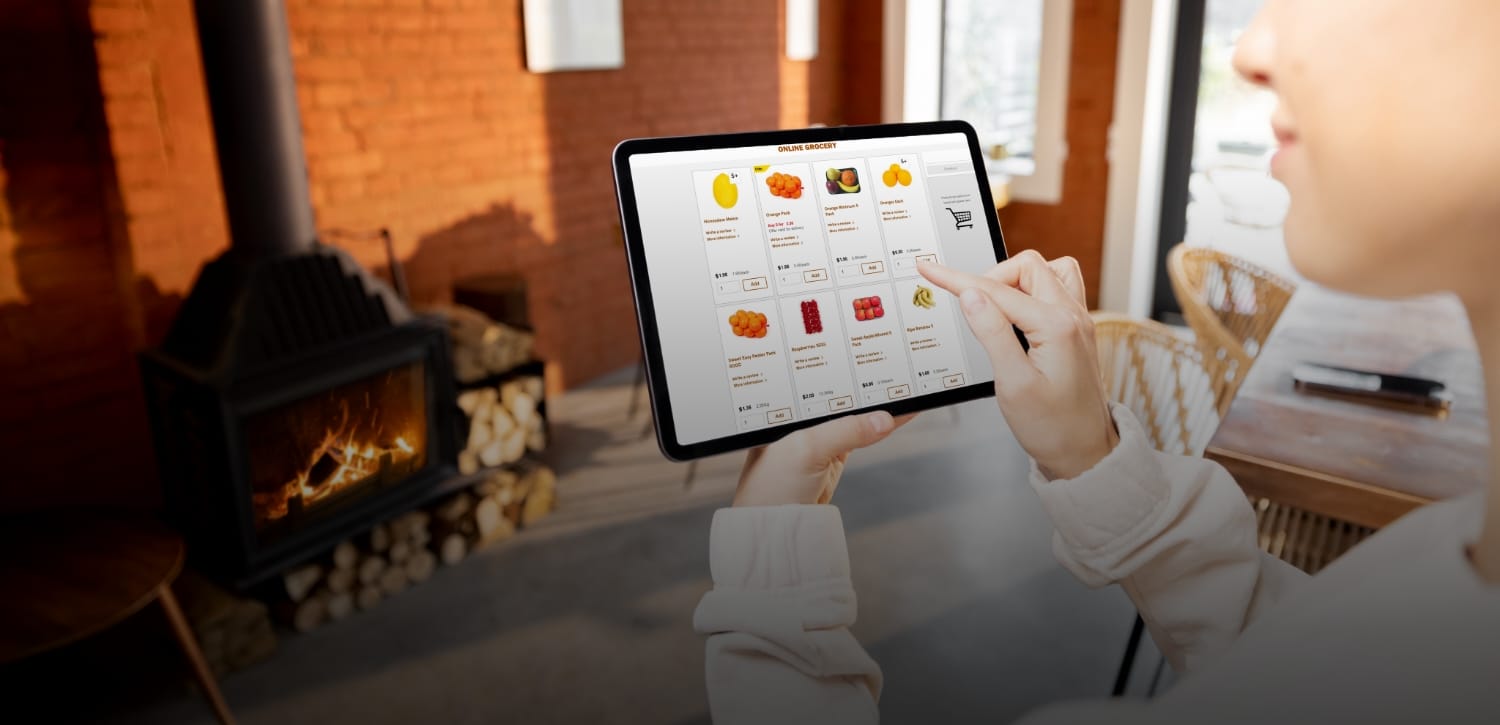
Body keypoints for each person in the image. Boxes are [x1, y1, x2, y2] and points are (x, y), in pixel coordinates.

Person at [692, 0, 1500, 722]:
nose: (1251, 47)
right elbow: (1292, 651)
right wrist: (1092, 453)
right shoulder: (1455, 558)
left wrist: (772, 542)